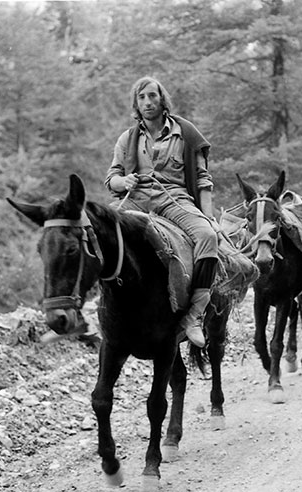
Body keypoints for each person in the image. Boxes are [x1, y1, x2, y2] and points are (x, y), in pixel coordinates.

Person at [105, 76, 218, 348]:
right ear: (136, 103)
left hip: (174, 198)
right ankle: (98, 308)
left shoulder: (186, 133)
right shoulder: (127, 138)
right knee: (97, 228)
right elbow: (112, 178)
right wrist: (124, 182)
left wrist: (209, 216)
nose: (147, 102)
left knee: (207, 237)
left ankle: (194, 315)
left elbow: (203, 180)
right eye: (142, 97)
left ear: (162, 99)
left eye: (152, 96)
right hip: (136, 198)